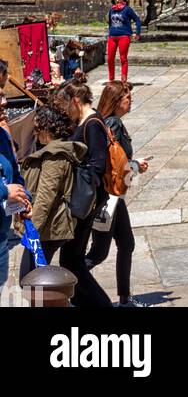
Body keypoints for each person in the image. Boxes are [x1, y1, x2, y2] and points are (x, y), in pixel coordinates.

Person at [86, 81, 148, 308]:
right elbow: (113, 164)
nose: (131, 101)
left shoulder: (110, 121)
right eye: (127, 98)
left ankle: (124, 298)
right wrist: (135, 165)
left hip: (114, 198)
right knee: (99, 253)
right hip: (109, 198)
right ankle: (71, 285)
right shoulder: (113, 124)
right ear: (116, 101)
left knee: (127, 244)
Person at [51, 81, 113, 307]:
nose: (65, 111)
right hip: (84, 203)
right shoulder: (85, 121)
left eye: (66, 105)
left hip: (85, 205)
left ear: (75, 101)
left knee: (72, 262)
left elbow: (98, 165)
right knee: (71, 261)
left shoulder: (92, 124)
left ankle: (100, 305)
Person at [18, 103, 86, 280]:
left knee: (30, 280)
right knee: (33, 280)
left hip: (48, 228)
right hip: (48, 226)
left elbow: (46, 197)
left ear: (47, 127)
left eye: (38, 127)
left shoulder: (54, 156)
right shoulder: (55, 151)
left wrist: (32, 231)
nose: (35, 132)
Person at [0, 58, 32, 287]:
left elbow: (14, 174)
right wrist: (3, 191)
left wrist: (22, 198)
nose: (4, 101)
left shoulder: (2, 136)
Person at [106, 0, 142, 84]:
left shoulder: (127, 9)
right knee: (110, 59)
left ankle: (123, 80)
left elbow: (137, 20)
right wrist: (110, 33)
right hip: (112, 37)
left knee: (123, 58)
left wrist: (137, 33)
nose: (117, 0)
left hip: (124, 37)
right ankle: (111, 80)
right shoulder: (111, 10)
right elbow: (110, 23)